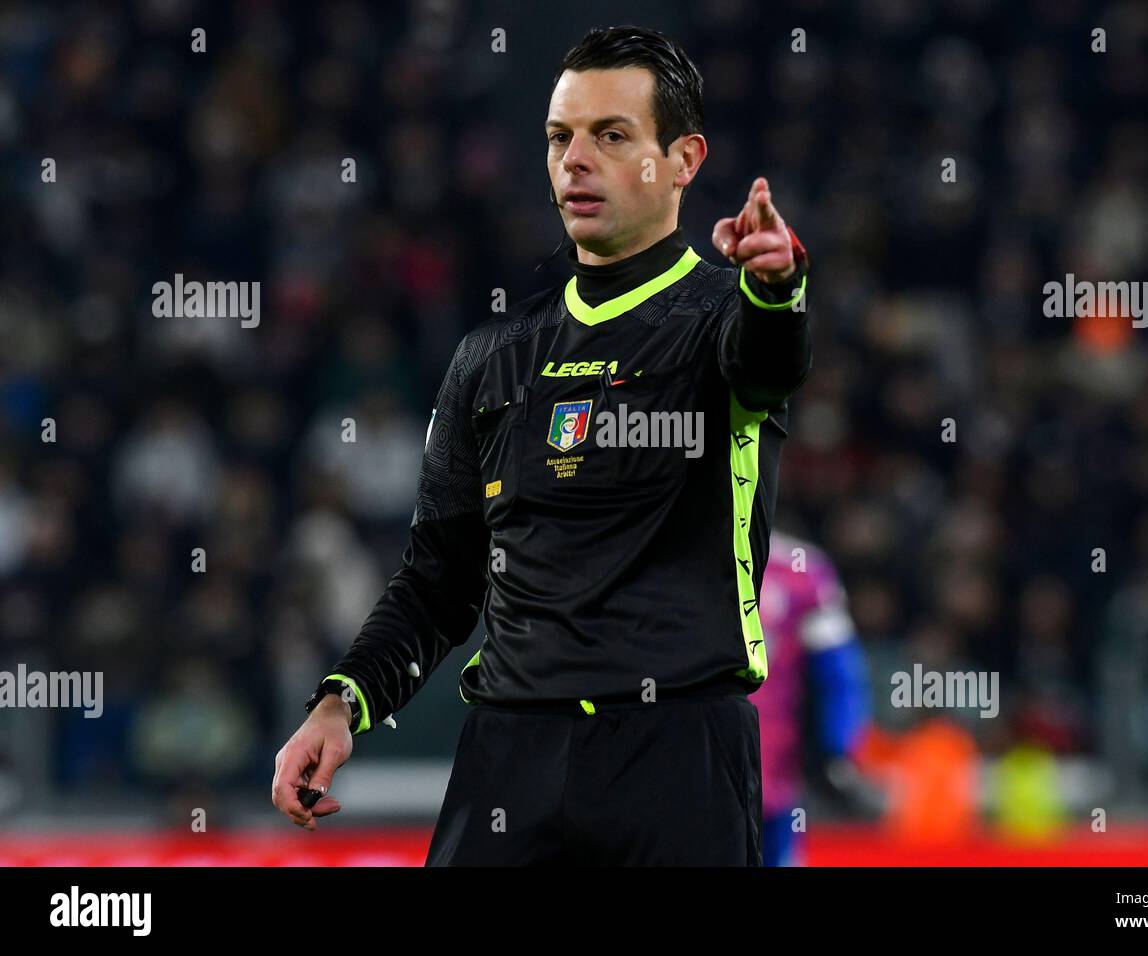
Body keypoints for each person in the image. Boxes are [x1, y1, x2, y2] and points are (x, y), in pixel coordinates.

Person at [272, 24, 812, 865]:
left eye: (611, 135)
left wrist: (776, 288)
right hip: (510, 762)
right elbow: (440, 581)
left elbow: (771, 364)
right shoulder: (491, 357)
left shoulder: (722, 317)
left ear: (684, 159)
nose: (575, 159)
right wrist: (342, 702)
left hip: (678, 759)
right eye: (561, 137)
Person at [753, 530, 871, 866]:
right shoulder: (797, 567)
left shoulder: (799, 569)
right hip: (739, 766)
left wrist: (837, 749)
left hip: (766, 772)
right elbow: (840, 677)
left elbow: (839, 677)